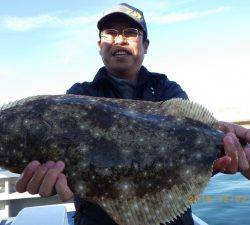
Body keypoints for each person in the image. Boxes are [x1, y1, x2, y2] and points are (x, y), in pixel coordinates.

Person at [16, 3, 250, 225]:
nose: (119, 39)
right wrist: (51, 183)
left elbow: (187, 163)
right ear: (100, 46)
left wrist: (224, 158)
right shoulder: (79, 94)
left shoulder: (167, 90)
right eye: (109, 33)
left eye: (130, 32)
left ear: (145, 46)